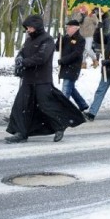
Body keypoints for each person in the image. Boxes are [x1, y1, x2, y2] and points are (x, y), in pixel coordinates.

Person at [5, 15, 85, 143]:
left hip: (42, 80)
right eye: (27, 27)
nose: (28, 30)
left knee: (46, 105)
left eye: (30, 27)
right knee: (21, 105)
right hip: (28, 79)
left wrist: (24, 62)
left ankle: (60, 125)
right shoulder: (29, 40)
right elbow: (23, 52)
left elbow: (41, 57)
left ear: (37, 27)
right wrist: (19, 58)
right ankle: (21, 132)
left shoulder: (47, 40)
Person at [82, 17, 110, 121]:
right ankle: (92, 113)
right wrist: (99, 30)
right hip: (107, 69)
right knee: (100, 91)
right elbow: (100, 39)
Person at [57, 19, 88, 112]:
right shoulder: (66, 38)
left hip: (73, 67)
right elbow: (57, 47)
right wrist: (59, 37)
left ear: (76, 28)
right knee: (71, 88)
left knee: (66, 89)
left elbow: (76, 54)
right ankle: (82, 104)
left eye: (69, 27)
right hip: (65, 66)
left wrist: (63, 60)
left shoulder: (80, 39)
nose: (67, 29)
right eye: (67, 27)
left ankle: (62, 109)